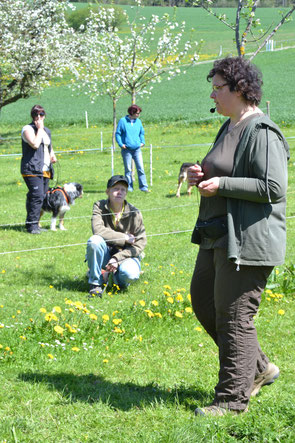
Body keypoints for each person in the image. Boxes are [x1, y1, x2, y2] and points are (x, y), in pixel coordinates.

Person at [187, 57, 289, 417]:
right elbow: (223, 168)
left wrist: (223, 184)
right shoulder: (229, 127)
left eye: (218, 88)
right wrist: (199, 173)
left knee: (233, 317)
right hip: (219, 236)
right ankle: (259, 368)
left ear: (240, 89)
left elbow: (273, 186)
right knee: (203, 300)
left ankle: (231, 400)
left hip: (248, 242)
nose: (212, 94)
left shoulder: (262, 131)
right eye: (212, 87)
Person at [86, 175, 147, 297]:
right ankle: (95, 284)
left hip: (127, 255)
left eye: (123, 189)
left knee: (129, 274)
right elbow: (98, 230)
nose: (119, 192)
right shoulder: (99, 206)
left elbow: (139, 244)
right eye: (115, 189)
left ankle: (113, 278)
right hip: (105, 252)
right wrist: (124, 238)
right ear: (107, 192)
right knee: (94, 241)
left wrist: (117, 259)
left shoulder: (135, 213)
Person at [21, 105, 57, 234]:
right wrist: (40, 129)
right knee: (36, 196)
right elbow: (35, 144)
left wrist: (53, 155)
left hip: (45, 169)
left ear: (44, 116)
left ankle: (32, 223)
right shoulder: (28, 129)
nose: (39, 118)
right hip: (31, 168)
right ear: (32, 117)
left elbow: (48, 146)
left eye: (41, 115)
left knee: (40, 196)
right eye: (36, 115)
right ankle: (32, 226)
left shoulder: (47, 130)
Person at [115, 104, 149, 192]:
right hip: (126, 150)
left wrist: (142, 142)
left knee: (140, 168)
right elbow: (118, 133)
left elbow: (142, 132)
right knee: (128, 170)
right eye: (137, 113)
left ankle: (143, 187)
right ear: (132, 113)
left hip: (137, 149)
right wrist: (121, 144)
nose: (138, 115)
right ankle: (129, 187)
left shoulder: (139, 122)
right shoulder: (122, 121)